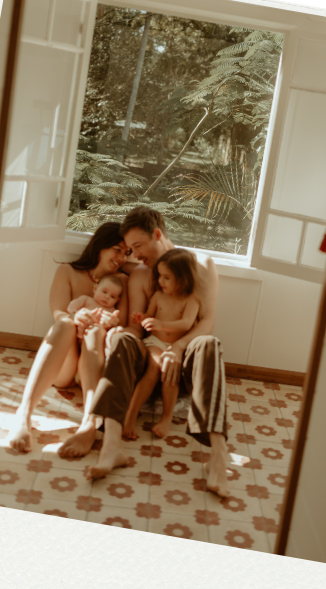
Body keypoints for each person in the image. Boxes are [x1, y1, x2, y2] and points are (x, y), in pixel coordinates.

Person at [81, 207, 232, 497]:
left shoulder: (202, 264)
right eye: (129, 249)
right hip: (148, 362)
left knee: (209, 343)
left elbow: (207, 322)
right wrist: (121, 334)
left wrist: (177, 347)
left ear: (158, 235)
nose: (134, 255)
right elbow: (138, 329)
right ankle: (112, 446)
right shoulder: (139, 275)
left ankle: (218, 457)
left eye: (137, 246)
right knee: (123, 340)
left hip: (183, 364)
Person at [5, 223, 129, 456]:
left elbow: (120, 325)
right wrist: (76, 316)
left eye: (126, 253)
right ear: (100, 245)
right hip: (64, 366)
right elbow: (59, 313)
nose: (122, 257)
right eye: (117, 249)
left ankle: (89, 422)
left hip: (92, 370)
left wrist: (107, 323)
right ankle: (24, 414)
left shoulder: (122, 282)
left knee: (95, 331)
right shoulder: (67, 271)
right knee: (64, 323)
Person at [114, 248, 200, 447]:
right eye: (160, 276)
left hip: (176, 346)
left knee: (170, 369)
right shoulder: (159, 296)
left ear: (184, 278)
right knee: (154, 365)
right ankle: (131, 414)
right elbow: (149, 316)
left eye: (167, 277)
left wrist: (162, 325)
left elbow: (187, 323)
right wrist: (142, 318)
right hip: (155, 343)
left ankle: (167, 417)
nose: (161, 281)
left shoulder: (191, 299)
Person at [66, 273, 126, 358]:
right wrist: (75, 313)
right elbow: (71, 307)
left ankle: (107, 351)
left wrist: (113, 325)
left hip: (95, 342)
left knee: (115, 332)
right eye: (104, 292)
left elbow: (113, 324)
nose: (107, 297)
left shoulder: (111, 311)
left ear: (117, 300)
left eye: (112, 296)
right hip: (77, 338)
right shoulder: (86, 300)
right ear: (95, 288)